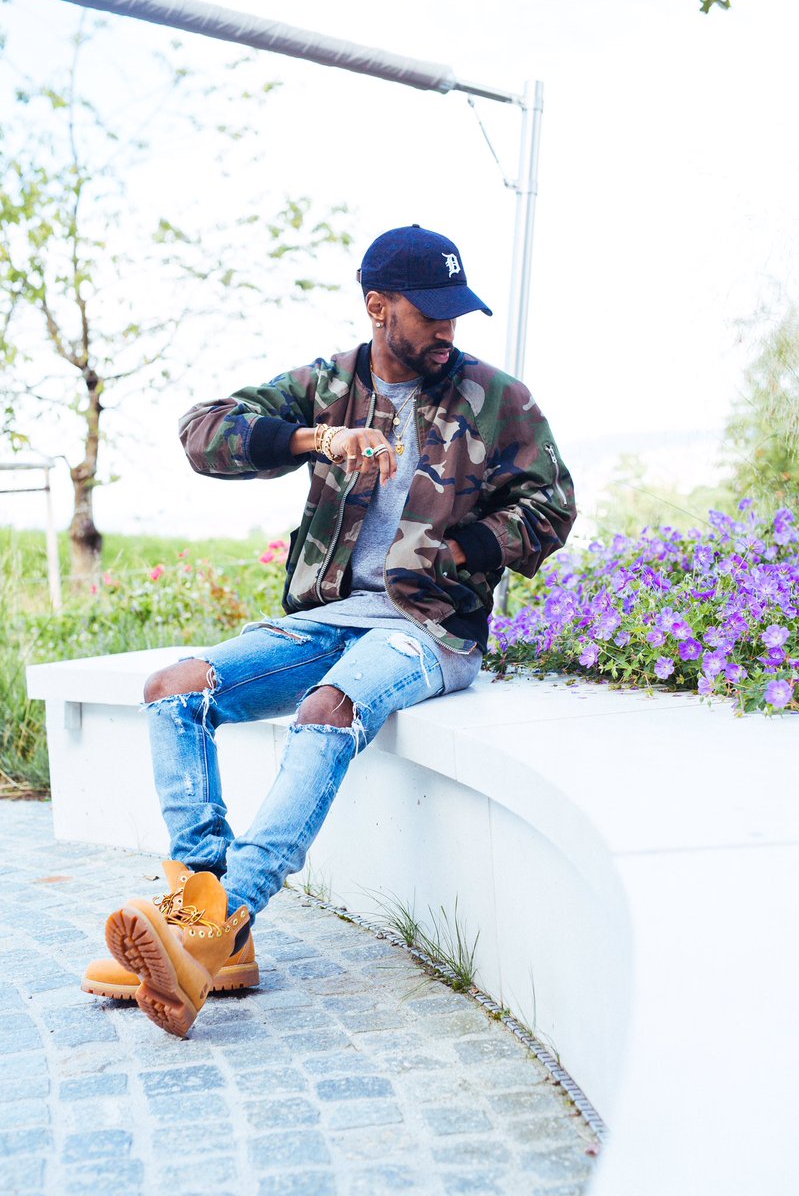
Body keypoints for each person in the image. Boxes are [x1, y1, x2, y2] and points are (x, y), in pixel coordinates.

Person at [82, 224, 577, 1037]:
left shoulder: (496, 398)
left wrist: (462, 550)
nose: (447, 327)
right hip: (329, 615)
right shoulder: (328, 385)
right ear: (378, 308)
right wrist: (318, 438)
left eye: (456, 311)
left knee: (328, 707)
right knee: (173, 690)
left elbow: (550, 504)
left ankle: (222, 921)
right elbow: (204, 433)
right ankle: (198, 913)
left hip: (430, 627)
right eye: (429, 311)